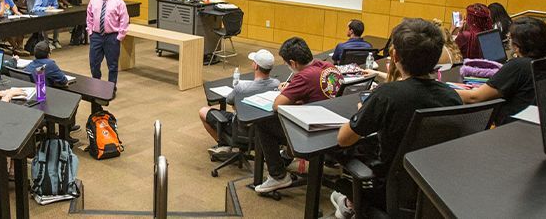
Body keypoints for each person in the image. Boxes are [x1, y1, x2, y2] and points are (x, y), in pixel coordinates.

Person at [331, 18, 462, 215]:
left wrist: (363, 111)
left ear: (394, 55)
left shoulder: (387, 96)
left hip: (388, 188)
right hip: (431, 189)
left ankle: (352, 204)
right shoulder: (452, 96)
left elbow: (344, 138)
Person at [253, 37, 342, 193]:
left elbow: (276, 105)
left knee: (263, 123)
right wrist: (293, 90)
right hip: (336, 126)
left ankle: (278, 176)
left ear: (293, 63)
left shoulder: (304, 76)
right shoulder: (328, 67)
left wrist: (286, 91)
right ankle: (287, 156)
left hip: (315, 133)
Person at [455, 17, 546, 125]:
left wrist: (447, 92)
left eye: (509, 38)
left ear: (517, 46)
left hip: (511, 127)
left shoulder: (519, 66)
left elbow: (475, 97)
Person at [198, 49, 280, 154]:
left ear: (255, 66)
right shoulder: (276, 84)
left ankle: (224, 144)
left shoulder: (242, 87)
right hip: (263, 130)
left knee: (203, 111)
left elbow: (229, 100)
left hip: (240, 128)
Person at [87, 0, 129, 84]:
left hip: (112, 37)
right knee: (94, 63)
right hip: (96, 36)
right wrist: (90, 32)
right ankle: (97, 85)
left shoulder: (118, 1)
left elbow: (124, 20)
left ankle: (111, 88)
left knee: (112, 65)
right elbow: (89, 17)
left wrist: (119, 37)